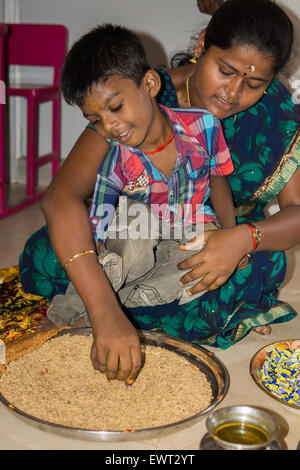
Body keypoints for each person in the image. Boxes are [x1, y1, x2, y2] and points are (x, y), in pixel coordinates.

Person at [19, 0, 300, 385]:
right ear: (203, 45)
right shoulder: (140, 93)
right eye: (226, 71)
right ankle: (115, 306)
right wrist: (105, 312)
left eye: (253, 84)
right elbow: (61, 197)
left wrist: (240, 239)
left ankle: (118, 302)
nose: (233, 93)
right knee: (46, 254)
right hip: (132, 234)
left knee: (267, 266)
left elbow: (297, 212)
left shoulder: (276, 113)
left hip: (209, 240)